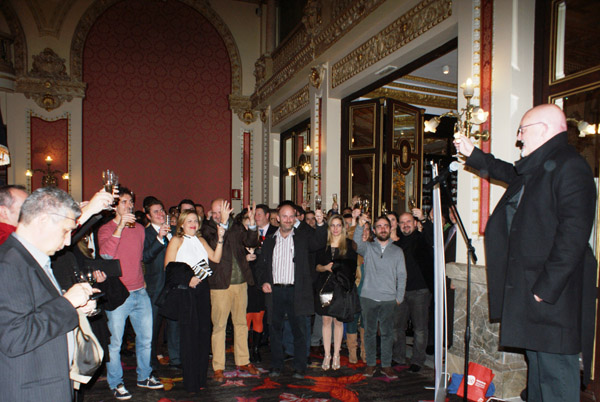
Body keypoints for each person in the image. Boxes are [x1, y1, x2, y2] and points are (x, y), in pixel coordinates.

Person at [454, 104, 597, 402]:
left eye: (522, 131)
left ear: (544, 130)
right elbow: (507, 171)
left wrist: (545, 288)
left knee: (556, 380)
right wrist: (474, 153)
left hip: (552, 299)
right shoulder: (540, 166)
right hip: (534, 295)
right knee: (539, 378)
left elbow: (574, 234)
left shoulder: (570, 166)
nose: (519, 138)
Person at [0, 187, 97, 401]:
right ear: (43, 221)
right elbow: (14, 337)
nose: (68, 241)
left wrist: (74, 307)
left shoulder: (30, 259)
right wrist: (67, 303)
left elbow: (36, 311)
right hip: (32, 390)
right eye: (65, 231)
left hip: (47, 381)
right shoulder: (9, 263)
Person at [98, 187, 163, 400]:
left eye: (130, 202)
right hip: (118, 294)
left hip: (139, 291)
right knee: (115, 343)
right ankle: (116, 382)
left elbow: (142, 257)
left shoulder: (140, 229)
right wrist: (119, 228)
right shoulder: (106, 229)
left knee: (145, 339)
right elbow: (106, 254)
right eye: (124, 202)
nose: (129, 206)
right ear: (115, 206)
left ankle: (144, 376)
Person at [256, 204, 327, 378]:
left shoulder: (302, 238)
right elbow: (262, 266)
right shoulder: (270, 240)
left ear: (295, 218)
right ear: (278, 218)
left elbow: (319, 242)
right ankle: (276, 365)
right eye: (284, 216)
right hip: (276, 292)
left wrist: (320, 224)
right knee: (275, 330)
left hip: (297, 292)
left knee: (299, 331)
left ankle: (300, 366)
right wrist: (264, 281)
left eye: (291, 216)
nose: (288, 220)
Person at [163, 208, 226, 392]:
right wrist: (187, 278)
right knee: (189, 336)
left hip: (202, 289)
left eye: (195, 221)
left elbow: (215, 257)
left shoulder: (200, 239)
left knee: (203, 333)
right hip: (186, 291)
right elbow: (168, 267)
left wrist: (220, 239)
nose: (193, 224)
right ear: (182, 223)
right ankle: (191, 382)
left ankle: (201, 379)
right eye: (189, 220)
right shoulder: (176, 240)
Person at [201, 198, 260, 381]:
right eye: (215, 212)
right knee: (219, 326)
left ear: (229, 209)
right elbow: (216, 244)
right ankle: (218, 366)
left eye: (221, 211)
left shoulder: (236, 226)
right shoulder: (207, 228)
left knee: (241, 324)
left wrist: (251, 225)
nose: (218, 215)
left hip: (240, 282)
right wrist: (224, 223)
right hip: (220, 285)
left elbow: (251, 242)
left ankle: (243, 360)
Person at [354, 214, 406, 379]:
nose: (383, 228)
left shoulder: (397, 251)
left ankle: (386, 365)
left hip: (389, 299)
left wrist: (399, 297)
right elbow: (356, 244)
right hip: (368, 297)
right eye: (379, 226)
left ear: (390, 229)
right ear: (374, 230)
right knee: (369, 333)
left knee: (387, 334)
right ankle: (370, 364)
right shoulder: (368, 248)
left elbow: (402, 275)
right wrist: (359, 225)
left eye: (385, 225)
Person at [315, 214, 358, 371]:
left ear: (343, 227)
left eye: (338, 225)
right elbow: (316, 266)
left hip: (341, 289)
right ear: (329, 227)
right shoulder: (323, 245)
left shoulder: (349, 245)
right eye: (332, 225)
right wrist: (325, 268)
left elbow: (352, 269)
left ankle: (337, 354)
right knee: (326, 321)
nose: (335, 228)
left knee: (338, 321)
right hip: (325, 287)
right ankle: (327, 355)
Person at [393, 212, 433, 372]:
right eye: (402, 222)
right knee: (397, 327)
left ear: (415, 223)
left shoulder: (422, 238)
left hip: (420, 291)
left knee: (420, 328)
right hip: (400, 292)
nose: (405, 225)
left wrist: (425, 219)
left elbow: (433, 238)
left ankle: (417, 360)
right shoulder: (397, 243)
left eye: (408, 221)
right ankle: (398, 357)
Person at [143, 196, 180, 370]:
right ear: (148, 216)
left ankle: (175, 358)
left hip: (173, 286)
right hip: (155, 287)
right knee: (153, 327)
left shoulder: (174, 230)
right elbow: (146, 257)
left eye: (161, 210)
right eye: (155, 211)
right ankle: (150, 362)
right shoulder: (145, 233)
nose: (160, 214)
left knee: (174, 324)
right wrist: (159, 238)